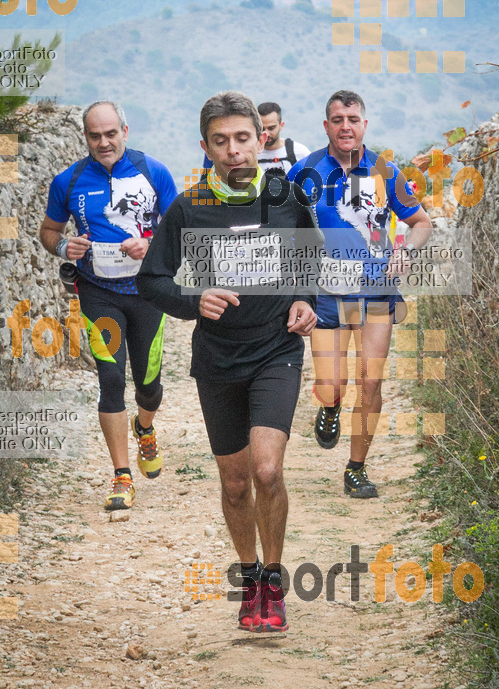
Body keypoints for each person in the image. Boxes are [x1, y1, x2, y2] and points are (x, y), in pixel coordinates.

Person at [137, 91, 322, 632]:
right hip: (218, 357)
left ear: (261, 139)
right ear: (206, 147)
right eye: (221, 141)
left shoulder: (286, 197)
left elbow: (309, 256)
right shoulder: (191, 206)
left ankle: (274, 581)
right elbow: (153, 279)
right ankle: (249, 579)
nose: (234, 150)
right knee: (236, 482)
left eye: (243, 138)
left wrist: (305, 300)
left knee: (268, 470)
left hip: (275, 351)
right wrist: (195, 302)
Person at [287, 90, 432, 499]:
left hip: (376, 292)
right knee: (333, 383)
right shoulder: (305, 171)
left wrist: (405, 249)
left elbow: (420, 222)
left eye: (353, 118)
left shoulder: (386, 172)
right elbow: (282, 225)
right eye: (337, 119)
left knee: (370, 384)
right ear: (326, 126)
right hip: (326, 294)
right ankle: (330, 406)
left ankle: (356, 468)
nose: (345, 126)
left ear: (364, 124)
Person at [39, 101, 177, 511]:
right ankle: (121, 476)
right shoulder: (69, 180)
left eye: (110, 134)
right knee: (111, 378)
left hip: (149, 291)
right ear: (85, 138)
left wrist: (150, 245)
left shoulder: (154, 172)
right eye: (95, 136)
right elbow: (48, 231)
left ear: (125, 131)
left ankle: (145, 427)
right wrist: (64, 245)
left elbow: (179, 230)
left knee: (149, 385)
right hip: (97, 292)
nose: (104, 142)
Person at [257, 101, 311, 178]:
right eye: (262, 129)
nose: (266, 133)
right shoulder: (250, 154)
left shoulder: (300, 153)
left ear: (281, 125)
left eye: (271, 128)